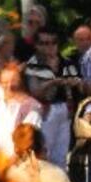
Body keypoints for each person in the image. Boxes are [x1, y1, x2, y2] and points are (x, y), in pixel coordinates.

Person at [24, 26, 82, 167]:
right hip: (44, 111)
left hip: (64, 111)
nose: (50, 46)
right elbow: (35, 91)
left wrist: (74, 83)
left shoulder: (67, 62)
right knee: (44, 154)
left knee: (61, 157)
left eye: (53, 42)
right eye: (45, 43)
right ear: (37, 45)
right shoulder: (33, 64)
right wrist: (53, 82)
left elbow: (79, 84)